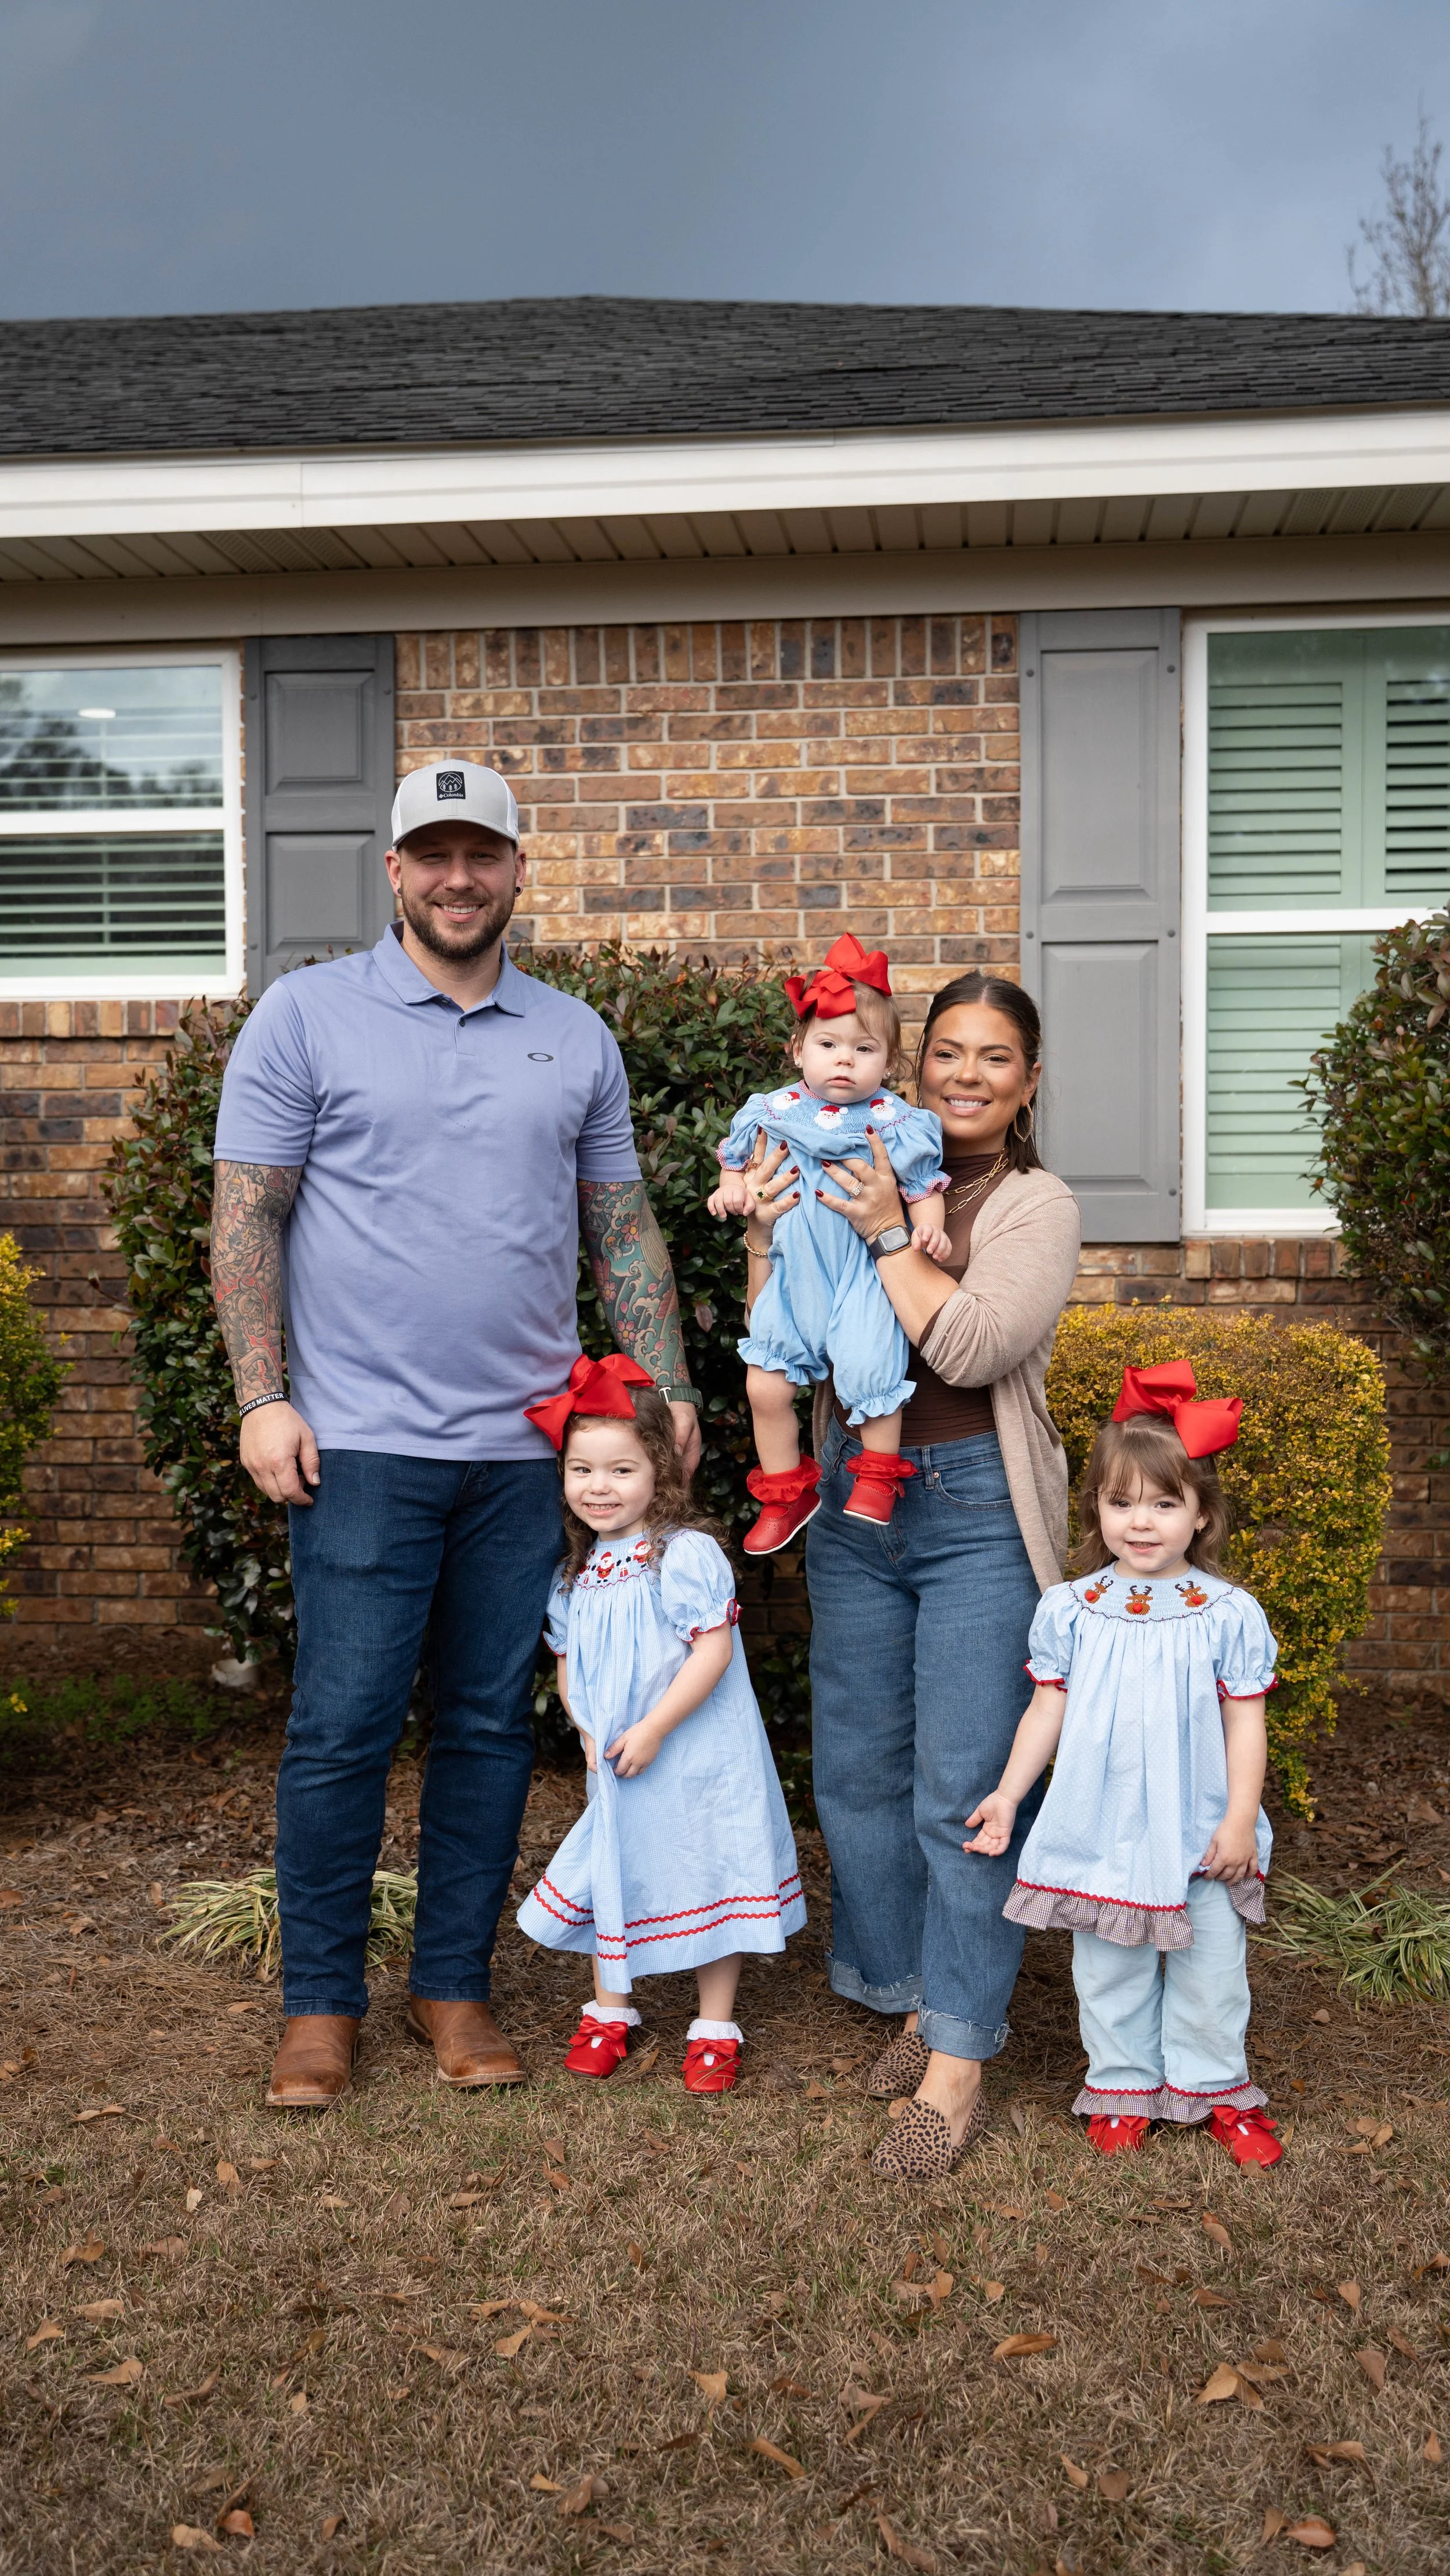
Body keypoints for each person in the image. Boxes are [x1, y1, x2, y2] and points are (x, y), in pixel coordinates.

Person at [210, 757, 701, 2111]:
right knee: (343, 1727)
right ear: (394, 872)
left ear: (515, 869)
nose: (457, 876)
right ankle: (320, 2004)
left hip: (525, 1449)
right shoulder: (306, 1017)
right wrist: (264, 1394)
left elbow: (620, 1227)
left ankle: (452, 1983)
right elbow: (247, 1216)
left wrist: (667, 1384)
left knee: (488, 1726)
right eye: (431, 853)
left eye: (479, 852)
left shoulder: (574, 1035)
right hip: (357, 1443)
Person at [741, 970, 1081, 2181]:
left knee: (960, 1786)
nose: (965, 1076)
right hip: (848, 1496)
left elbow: (975, 1343)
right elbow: (781, 1314)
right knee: (858, 1769)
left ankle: (957, 2055)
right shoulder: (851, 1146)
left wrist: (888, 1229)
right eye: (947, 1053)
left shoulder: (1035, 1204)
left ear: (1028, 1081)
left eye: (995, 1058)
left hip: (976, 1511)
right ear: (911, 1062)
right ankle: (903, 1992)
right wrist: (769, 1232)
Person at [965, 1363, 1283, 2168]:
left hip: (1199, 1824)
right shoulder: (1071, 1609)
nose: (1141, 1522)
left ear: (1201, 1513)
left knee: (1211, 1969)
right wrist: (1008, 1795)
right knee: (1109, 1970)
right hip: (1100, 1825)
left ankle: (1216, 2089)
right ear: (1097, 1508)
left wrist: (1239, 1817)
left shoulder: (1226, 1613)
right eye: (1121, 1502)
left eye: (1164, 1503)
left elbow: (1245, 1720)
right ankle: (1123, 2086)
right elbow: (1048, 1709)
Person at [514, 1354, 805, 2092]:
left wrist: (655, 1727)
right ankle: (613, 2006)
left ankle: (714, 2022)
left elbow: (711, 1651)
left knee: (710, 1859)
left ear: (660, 1474)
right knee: (618, 1858)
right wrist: (587, 1725)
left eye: (620, 1470)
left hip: (695, 1749)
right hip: (617, 1755)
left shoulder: (680, 1555)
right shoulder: (575, 1575)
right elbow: (569, 1660)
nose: (600, 1487)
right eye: (583, 1470)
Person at [708, 933, 948, 1552]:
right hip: (791, 1271)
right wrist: (732, 1189)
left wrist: (931, 1223)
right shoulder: (770, 1110)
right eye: (828, 1043)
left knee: (870, 1368)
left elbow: (922, 1185)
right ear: (798, 1048)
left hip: (863, 1274)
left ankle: (875, 1477)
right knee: (764, 1381)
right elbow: (737, 1163)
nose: (844, 1060)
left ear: (889, 1062)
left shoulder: (896, 1121)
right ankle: (787, 1489)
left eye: (863, 1048)